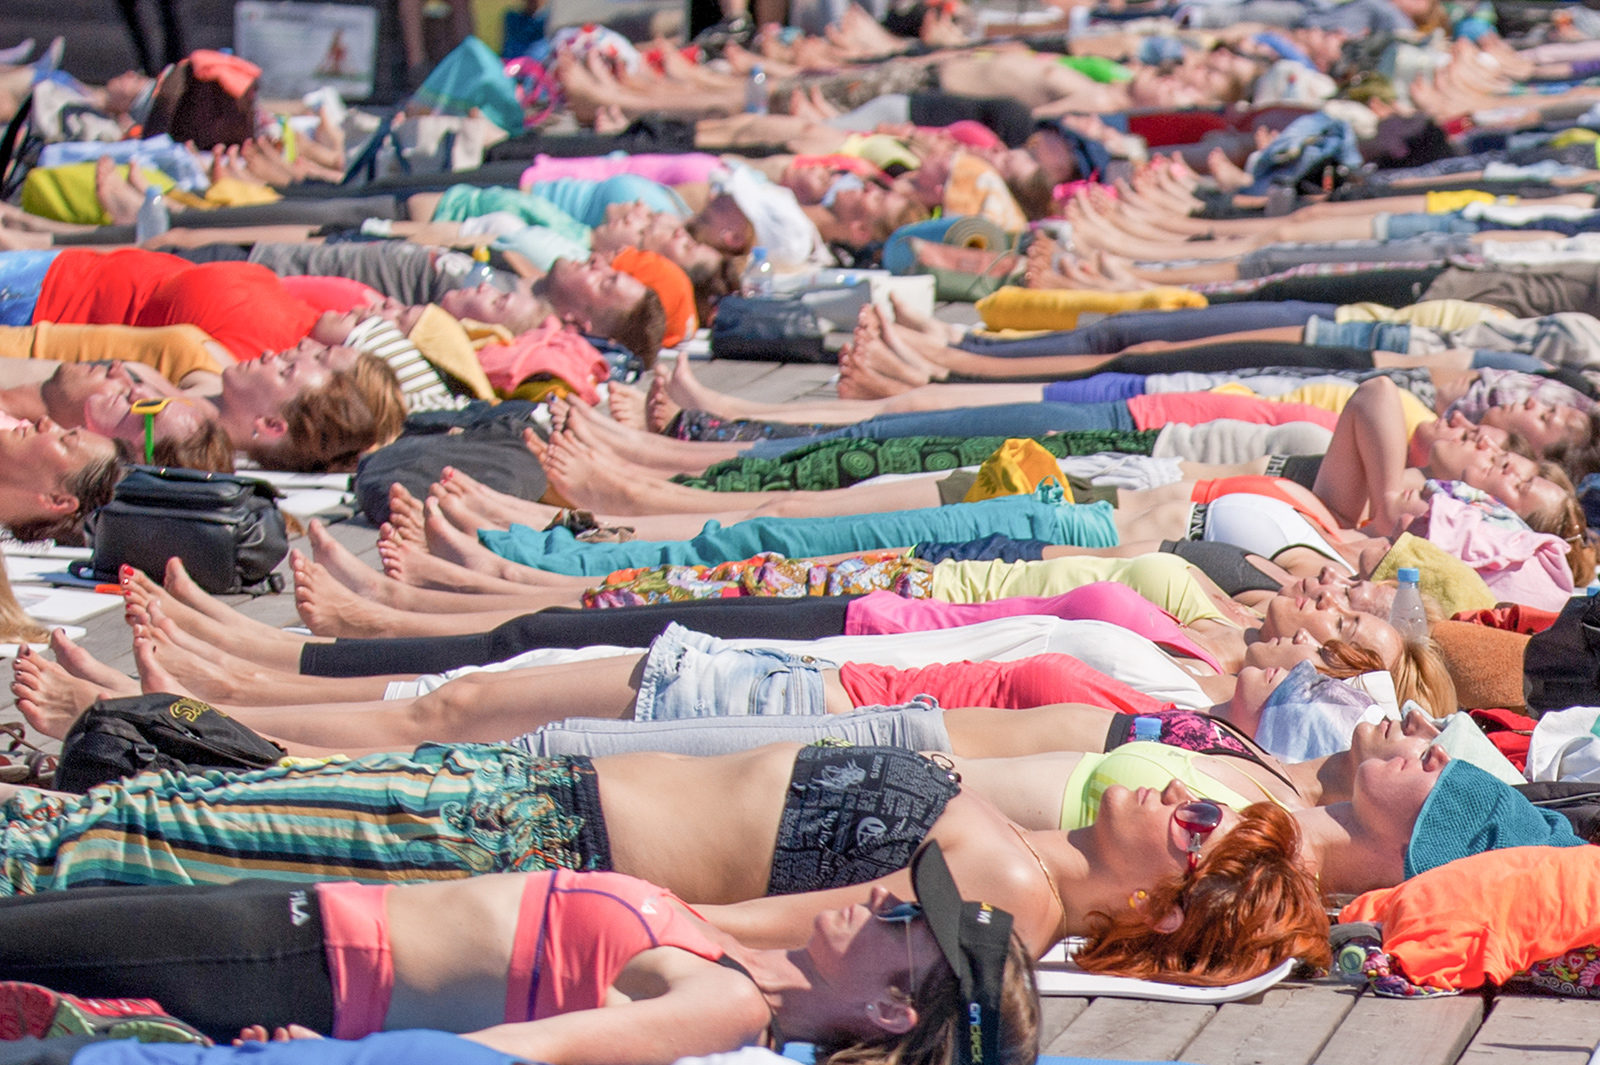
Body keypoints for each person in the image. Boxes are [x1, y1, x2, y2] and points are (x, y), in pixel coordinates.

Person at [0, 844, 1042, 1065]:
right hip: (295, 936)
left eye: (906, 923)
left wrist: (321, 1057)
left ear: (898, 1011)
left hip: (294, 962)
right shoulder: (750, 958)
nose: (881, 898)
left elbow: (527, 1054)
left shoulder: (723, 1010)